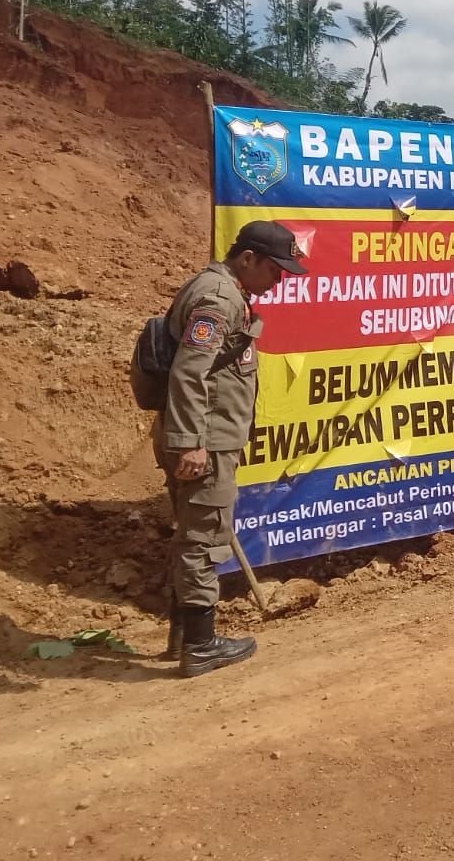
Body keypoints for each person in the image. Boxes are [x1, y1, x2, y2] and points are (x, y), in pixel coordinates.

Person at [156, 219, 306, 678]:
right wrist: (191, 444)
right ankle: (200, 647)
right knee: (203, 539)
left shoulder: (222, 292)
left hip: (208, 437)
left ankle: (184, 635)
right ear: (248, 259)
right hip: (206, 442)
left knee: (195, 532)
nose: (279, 280)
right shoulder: (218, 298)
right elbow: (189, 373)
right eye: (274, 269)